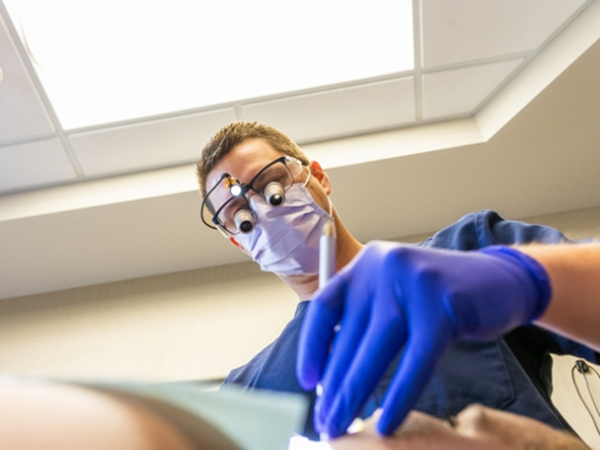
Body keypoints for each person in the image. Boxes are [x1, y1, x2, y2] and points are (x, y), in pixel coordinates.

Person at [196, 121, 597, 441]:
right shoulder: (251, 392)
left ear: (317, 176)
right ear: (239, 242)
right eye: (239, 213)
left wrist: (527, 279)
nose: (263, 210)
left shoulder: (466, 253)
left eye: (272, 184)